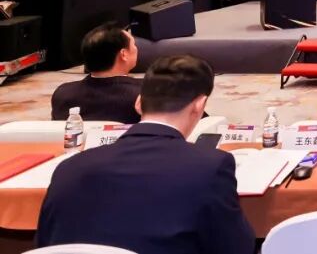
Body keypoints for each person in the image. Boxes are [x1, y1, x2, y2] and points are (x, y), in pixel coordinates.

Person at [37, 55, 255, 254]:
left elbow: (44, 245)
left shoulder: (70, 167)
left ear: (139, 103)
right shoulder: (210, 167)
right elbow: (236, 247)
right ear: (199, 105)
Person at [51, 23, 141, 124]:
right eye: (134, 45)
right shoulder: (144, 95)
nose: (136, 48)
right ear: (123, 54)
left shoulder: (63, 94)